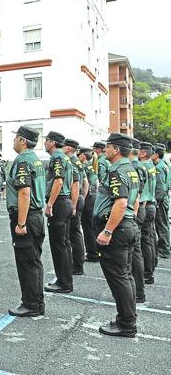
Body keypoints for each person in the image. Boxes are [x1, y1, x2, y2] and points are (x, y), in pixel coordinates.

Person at [93, 133, 139, 338]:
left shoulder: (117, 171)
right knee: (126, 276)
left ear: (117, 149)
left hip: (117, 230)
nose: (105, 149)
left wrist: (108, 230)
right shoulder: (131, 170)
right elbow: (134, 200)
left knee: (119, 277)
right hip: (127, 226)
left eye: (108, 146)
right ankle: (126, 319)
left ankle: (127, 323)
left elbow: (121, 202)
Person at [6, 126, 46, 317]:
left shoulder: (23, 160)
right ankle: (36, 302)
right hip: (36, 215)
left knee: (27, 263)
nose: (13, 141)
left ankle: (31, 304)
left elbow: (24, 192)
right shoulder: (35, 159)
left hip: (26, 217)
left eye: (15, 138)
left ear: (22, 140)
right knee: (34, 261)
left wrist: (20, 223)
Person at [43, 131, 74, 293]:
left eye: (46, 141)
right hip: (66, 201)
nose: (45, 143)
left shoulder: (57, 157)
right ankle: (65, 279)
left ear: (52, 143)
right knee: (64, 243)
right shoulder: (65, 157)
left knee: (58, 245)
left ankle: (63, 283)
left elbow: (58, 180)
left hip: (59, 202)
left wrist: (49, 204)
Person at [128, 138, 148, 303]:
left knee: (135, 253)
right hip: (140, 208)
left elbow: (136, 195)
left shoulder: (134, 166)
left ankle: (139, 293)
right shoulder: (141, 166)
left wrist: (132, 215)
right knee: (137, 252)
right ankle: (138, 291)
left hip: (135, 210)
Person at [64, 139, 87, 276]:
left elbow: (76, 184)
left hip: (75, 198)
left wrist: (74, 203)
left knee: (74, 232)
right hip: (79, 198)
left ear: (67, 149)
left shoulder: (72, 161)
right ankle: (78, 264)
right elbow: (86, 182)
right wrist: (83, 197)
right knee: (76, 232)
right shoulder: (77, 161)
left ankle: (77, 265)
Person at [138, 142, 157, 285]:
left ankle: (147, 273)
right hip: (152, 204)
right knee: (149, 240)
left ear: (143, 153)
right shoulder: (152, 166)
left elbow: (142, 191)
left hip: (145, 205)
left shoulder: (143, 166)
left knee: (144, 241)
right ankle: (150, 272)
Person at [79, 147, 99, 263]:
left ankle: (92, 253)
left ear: (83, 155)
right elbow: (97, 183)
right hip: (94, 196)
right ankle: (95, 251)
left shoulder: (83, 166)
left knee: (87, 227)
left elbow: (85, 184)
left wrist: (83, 198)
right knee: (91, 226)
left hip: (89, 197)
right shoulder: (91, 166)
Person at [153, 143, 170, 262]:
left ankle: (164, 250)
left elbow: (160, 188)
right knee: (163, 225)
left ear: (157, 154)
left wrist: (157, 202)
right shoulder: (163, 164)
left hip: (161, 200)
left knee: (162, 225)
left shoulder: (159, 167)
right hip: (164, 199)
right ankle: (164, 248)